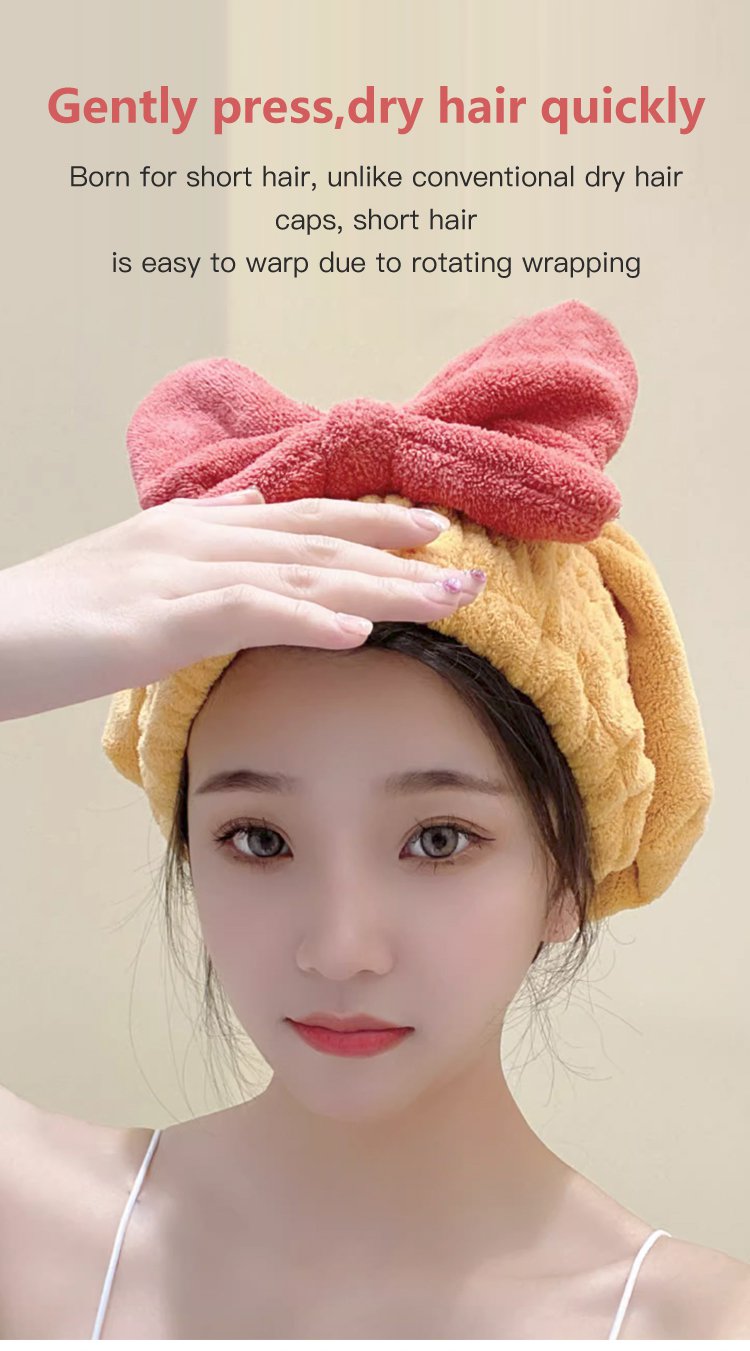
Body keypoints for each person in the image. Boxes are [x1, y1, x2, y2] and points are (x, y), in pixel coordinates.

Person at [0, 301, 748, 1339]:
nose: (340, 947)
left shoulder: (695, 1326)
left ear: (569, 873)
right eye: (259, 838)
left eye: (439, 839)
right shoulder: (32, 1232)